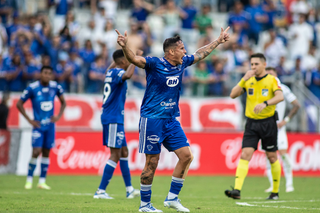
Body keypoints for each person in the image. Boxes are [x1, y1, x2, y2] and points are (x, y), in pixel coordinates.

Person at [116, 25, 230, 212]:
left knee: (186, 156)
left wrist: (218, 41)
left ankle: (172, 199)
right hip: (152, 119)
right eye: (182, 48)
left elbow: (200, 54)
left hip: (170, 120)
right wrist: (124, 46)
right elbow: (134, 59)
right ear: (171, 51)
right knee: (152, 162)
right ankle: (145, 205)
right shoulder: (154, 63)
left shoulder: (182, 62)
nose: (185, 51)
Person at [225, 53, 284, 200]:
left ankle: (275, 192)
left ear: (264, 64)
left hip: (268, 122)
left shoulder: (272, 80)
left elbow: (280, 97)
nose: (253, 67)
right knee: (245, 154)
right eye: (252, 64)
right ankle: (237, 190)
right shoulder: (248, 80)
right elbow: (233, 94)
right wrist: (243, 79)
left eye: (256, 64)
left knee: (271, 156)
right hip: (251, 123)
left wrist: (265, 103)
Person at [93, 49, 143, 200]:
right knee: (115, 155)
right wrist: (135, 59)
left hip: (114, 118)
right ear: (123, 62)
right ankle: (100, 191)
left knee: (124, 152)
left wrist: (119, 56)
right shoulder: (118, 73)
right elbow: (128, 75)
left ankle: (129, 190)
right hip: (113, 118)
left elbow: (111, 67)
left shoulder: (110, 72)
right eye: (127, 59)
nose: (129, 61)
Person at [16, 66, 66, 190]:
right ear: (40, 74)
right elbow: (19, 103)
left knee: (46, 152)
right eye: (45, 73)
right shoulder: (32, 88)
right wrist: (29, 120)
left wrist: (58, 116)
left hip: (50, 126)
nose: (47, 76)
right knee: (36, 152)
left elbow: (64, 102)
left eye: (49, 73)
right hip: (38, 126)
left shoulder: (55, 87)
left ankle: (42, 181)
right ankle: (29, 180)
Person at [264, 67, 300, 193]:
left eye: (271, 73)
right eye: (267, 74)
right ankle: (273, 186)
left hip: (279, 129)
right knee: (268, 157)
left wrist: (286, 120)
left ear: (276, 74)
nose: (269, 76)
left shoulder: (283, 88)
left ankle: (289, 184)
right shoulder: (262, 89)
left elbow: (296, 104)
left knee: (283, 155)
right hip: (266, 128)